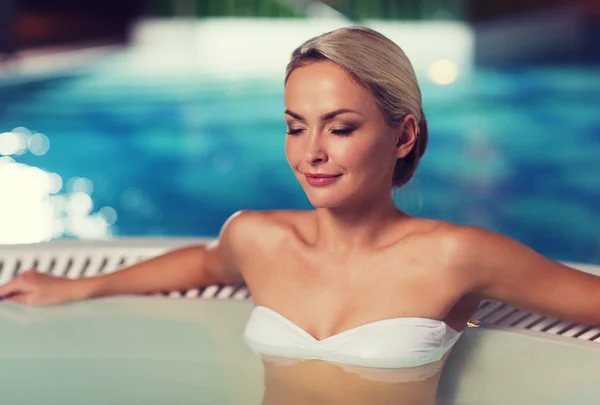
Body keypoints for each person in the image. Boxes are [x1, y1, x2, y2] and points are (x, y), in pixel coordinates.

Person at [1, 26, 600, 404]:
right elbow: (200, 265)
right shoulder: (259, 238)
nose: (311, 151)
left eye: (340, 128)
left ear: (402, 135)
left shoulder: (455, 256)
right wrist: (79, 287)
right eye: (295, 127)